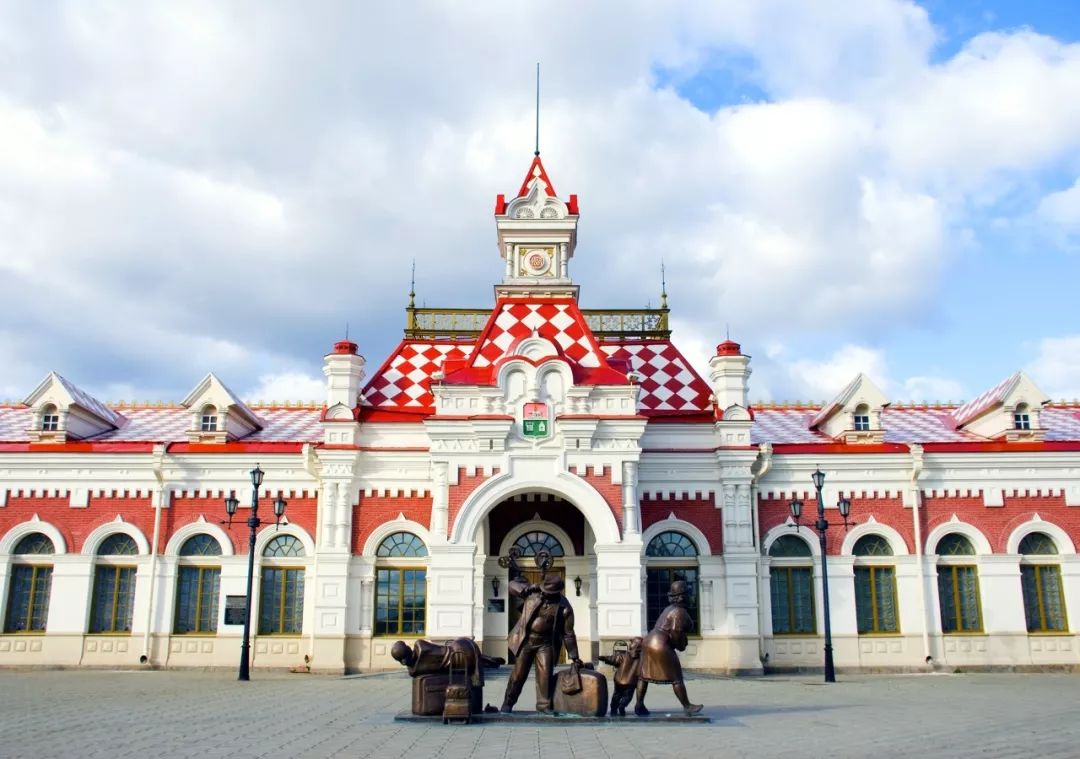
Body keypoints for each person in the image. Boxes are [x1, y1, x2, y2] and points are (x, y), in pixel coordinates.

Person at [501, 573, 582, 713]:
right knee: (518, 675)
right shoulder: (533, 594)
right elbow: (511, 586)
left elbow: (568, 634)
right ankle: (508, 703)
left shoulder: (564, 607)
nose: (546, 594)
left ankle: (544, 706)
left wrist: (574, 656)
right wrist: (530, 587)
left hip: (545, 644)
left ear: (558, 592)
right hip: (526, 640)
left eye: (550, 593)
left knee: (545, 675)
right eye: (545, 591)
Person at [635, 579, 703, 716]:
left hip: (649, 641)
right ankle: (687, 705)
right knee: (676, 677)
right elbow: (676, 632)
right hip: (660, 644)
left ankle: (639, 704)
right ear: (682, 596)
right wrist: (681, 645)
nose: (689, 596)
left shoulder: (669, 609)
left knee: (643, 676)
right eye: (687, 594)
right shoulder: (679, 611)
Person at [390, 637, 504, 687]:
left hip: (457, 661)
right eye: (406, 647)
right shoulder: (420, 645)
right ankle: (489, 660)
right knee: (475, 656)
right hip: (458, 650)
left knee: (475, 658)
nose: (409, 647)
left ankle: (489, 660)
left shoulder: (414, 671)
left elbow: (412, 669)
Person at [599, 636, 642, 716]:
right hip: (631, 682)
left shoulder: (624, 655)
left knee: (617, 694)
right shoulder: (641, 658)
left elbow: (614, 659)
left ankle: (613, 708)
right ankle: (622, 705)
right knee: (628, 696)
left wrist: (604, 658)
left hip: (619, 679)